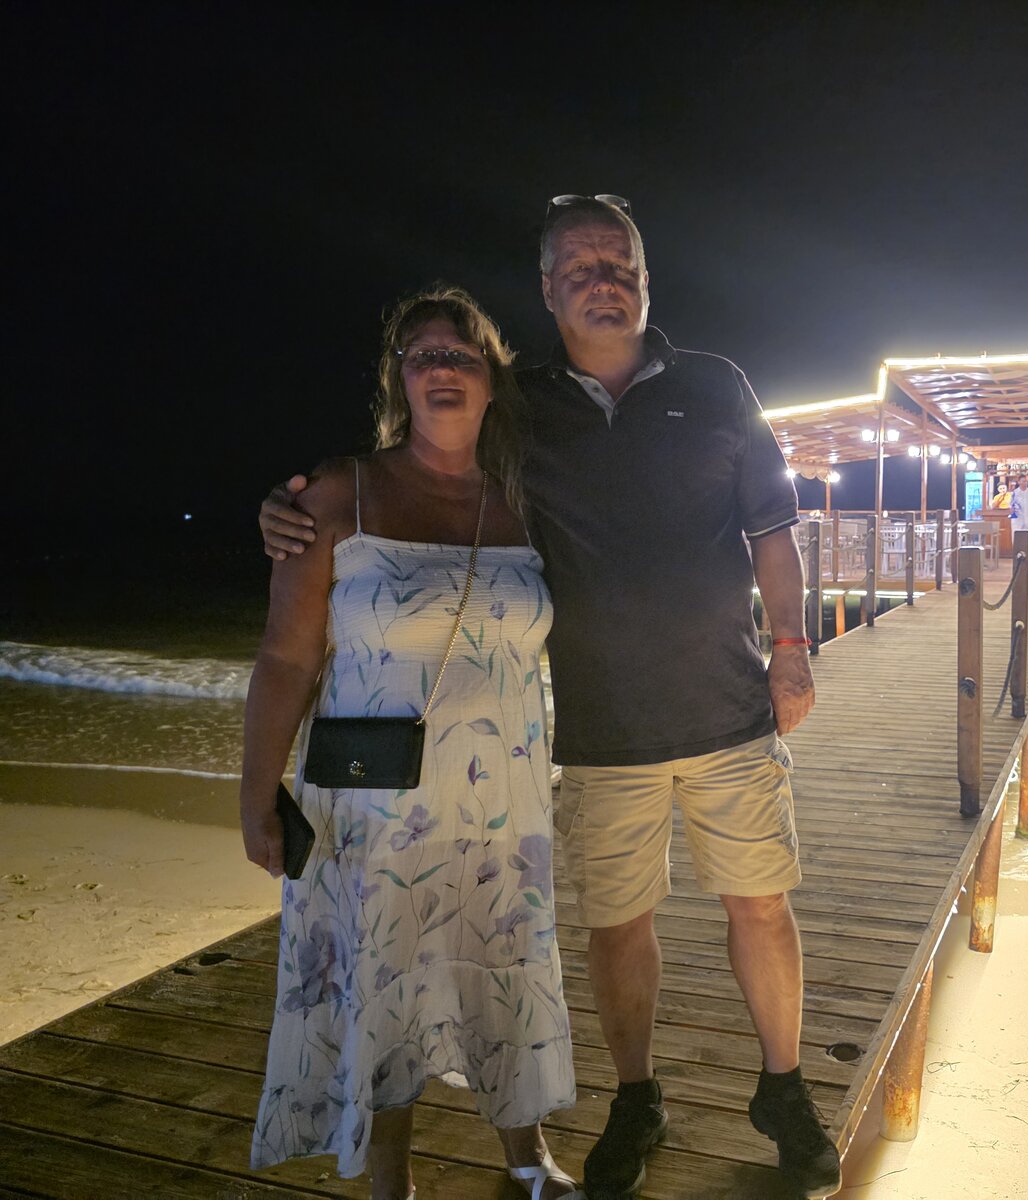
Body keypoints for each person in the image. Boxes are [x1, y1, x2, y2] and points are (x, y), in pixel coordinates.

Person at [259, 197, 838, 1200]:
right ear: (548, 288)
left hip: (718, 711)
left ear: (646, 276)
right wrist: (287, 506)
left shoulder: (711, 385)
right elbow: (413, 474)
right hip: (592, 733)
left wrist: (791, 648)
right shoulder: (520, 410)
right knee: (611, 925)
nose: (602, 280)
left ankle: (781, 1091)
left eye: (619, 262)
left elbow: (772, 531)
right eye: (579, 267)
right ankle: (635, 1100)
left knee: (756, 903)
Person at [240, 288, 576, 1199]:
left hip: (500, 802)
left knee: (503, 964)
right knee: (382, 973)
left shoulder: (527, 503)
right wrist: (256, 793)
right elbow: (285, 656)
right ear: (399, 380)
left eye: (460, 355)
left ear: (492, 381)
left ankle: (526, 1155)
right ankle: (391, 1179)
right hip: (371, 805)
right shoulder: (339, 492)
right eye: (422, 354)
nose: (441, 368)